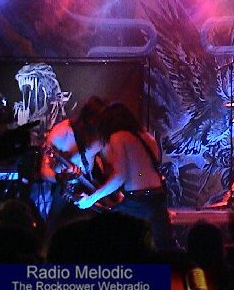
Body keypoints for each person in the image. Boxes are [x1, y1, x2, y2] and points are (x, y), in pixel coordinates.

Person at [74, 103, 174, 249]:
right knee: (161, 248)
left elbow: (119, 176)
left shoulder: (118, 137)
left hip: (137, 202)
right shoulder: (147, 137)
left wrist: (91, 199)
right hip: (157, 199)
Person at [39, 96, 107, 224]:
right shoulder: (61, 132)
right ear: (89, 119)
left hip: (89, 187)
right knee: (57, 225)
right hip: (65, 189)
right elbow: (44, 171)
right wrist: (60, 177)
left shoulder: (100, 134)